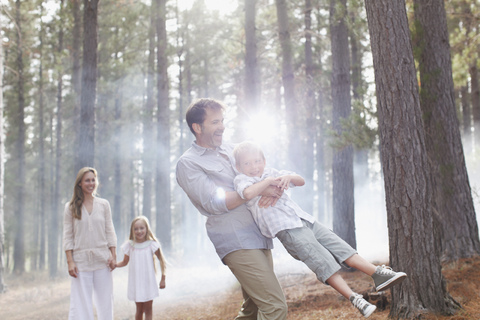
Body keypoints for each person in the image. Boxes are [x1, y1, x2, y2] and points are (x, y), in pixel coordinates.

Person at [232, 141, 408, 318]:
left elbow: (300, 181)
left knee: (340, 247)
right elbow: (247, 193)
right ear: (239, 167)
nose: (253, 167)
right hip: (287, 229)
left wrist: (289, 178)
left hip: (305, 220)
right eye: (247, 163)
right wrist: (269, 184)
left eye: (257, 161)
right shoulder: (242, 180)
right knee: (322, 262)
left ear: (263, 160)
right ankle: (355, 298)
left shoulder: (272, 172)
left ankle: (377, 274)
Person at [175, 98, 288, 320]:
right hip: (236, 239)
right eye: (215, 122)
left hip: (259, 234)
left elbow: (259, 174)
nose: (222, 127)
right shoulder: (188, 163)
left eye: (222, 121)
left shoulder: (233, 149)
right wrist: (258, 189)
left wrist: (275, 183)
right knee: (275, 307)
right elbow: (213, 202)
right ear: (197, 128)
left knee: (253, 308)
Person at [63, 167, 118, 320]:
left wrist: (113, 256)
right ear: (80, 183)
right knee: (81, 304)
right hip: (81, 262)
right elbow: (68, 236)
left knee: (105, 301)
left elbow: (110, 231)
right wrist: (70, 262)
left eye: (93, 180)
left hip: (103, 260)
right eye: (87, 180)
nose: (91, 183)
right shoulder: (71, 207)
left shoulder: (104, 204)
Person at [117, 216, 167, 320]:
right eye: (136, 229)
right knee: (139, 310)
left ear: (146, 229)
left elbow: (162, 261)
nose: (139, 231)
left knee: (148, 310)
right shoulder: (130, 245)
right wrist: (114, 265)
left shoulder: (152, 245)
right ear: (132, 230)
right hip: (136, 283)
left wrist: (163, 279)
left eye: (141, 228)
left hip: (148, 282)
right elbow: (124, 262)